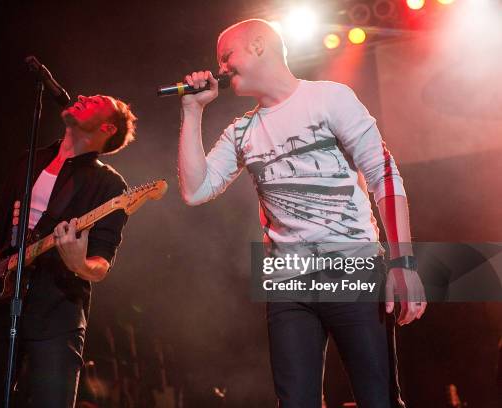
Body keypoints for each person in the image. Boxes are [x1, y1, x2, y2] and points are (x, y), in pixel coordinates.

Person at [177, 19, 426, 407]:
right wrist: (192, 111)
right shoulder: (241, 131)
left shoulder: (329, 98)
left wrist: (403, 263)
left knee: (377, 397)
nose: (221, 69)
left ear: (259, 46)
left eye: (226, 57)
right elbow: (195, 190)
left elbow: (384, 177)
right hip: (288, 279)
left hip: (353, 267)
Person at [0, 94, 136, 407]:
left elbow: (102, 263)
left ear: (107, 127)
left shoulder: (110, 186)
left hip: (57, 311)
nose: (81, 97)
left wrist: (79, 263)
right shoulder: (30, 160)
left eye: (94, 101)